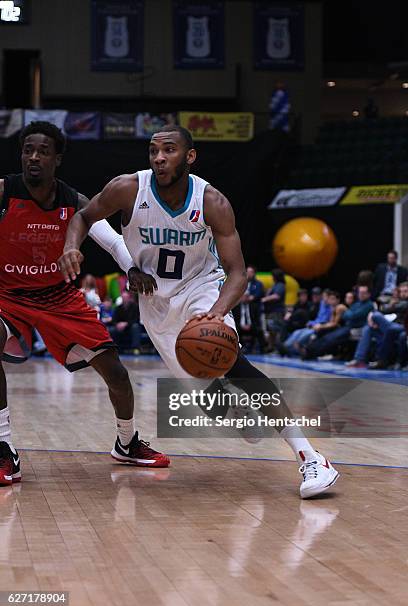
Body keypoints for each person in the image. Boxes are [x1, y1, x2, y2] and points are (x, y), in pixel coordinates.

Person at [59, 125, 339, 499]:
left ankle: (311, 456)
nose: (159, 157)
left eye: (169, 150)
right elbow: (83, 217)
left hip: (202, 289)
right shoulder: (128, 188)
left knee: (231, 363)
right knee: (210, 400)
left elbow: (237, 272)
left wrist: (216, 312)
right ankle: (237, 414)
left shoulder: (212, 202)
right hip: (157, 304)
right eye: (154, 151)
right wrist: (71, 247)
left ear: (190, 157)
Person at [0, 121, 169, 486]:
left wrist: (132, 268)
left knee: (118, 375)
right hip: (8, 297)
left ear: (56, 159)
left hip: (59, 298)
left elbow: (111, 241)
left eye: (43, 151)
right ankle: (3, 446)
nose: (33, 157)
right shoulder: (4, 192)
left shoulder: (72, 201)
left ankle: (126, 443)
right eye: (28, 149)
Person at [233, 265, 266, 354]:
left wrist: (250, 325)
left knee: (259, 330)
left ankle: (264, 350)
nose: (249, 274)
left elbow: (258, 295)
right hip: (240, 326)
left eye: (251, 272)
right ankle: (236, 349)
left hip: (251, 324)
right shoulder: (236, 307)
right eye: (247, 272)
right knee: (234, 329)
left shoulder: (258, 284)